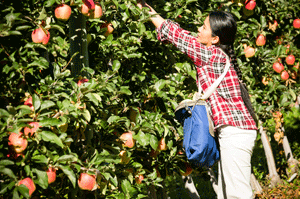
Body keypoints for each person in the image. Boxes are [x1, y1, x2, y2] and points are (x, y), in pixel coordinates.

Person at [137, 1, 258, 199]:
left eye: (203, 27)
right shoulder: (218, 54)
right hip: (234, 132)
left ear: (215, 38)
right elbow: (186, 39)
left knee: (238, 195)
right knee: (227, 195)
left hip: (235, 133)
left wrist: (152, 15)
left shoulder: (211, 55)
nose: (198, 29)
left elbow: (182, 38)